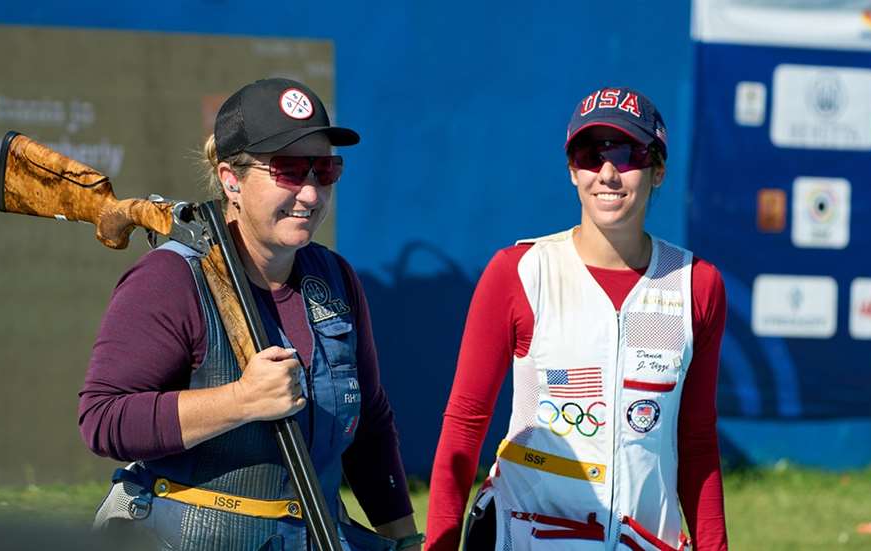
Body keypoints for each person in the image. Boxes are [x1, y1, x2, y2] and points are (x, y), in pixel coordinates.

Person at [78, 77, 423, 551]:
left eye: (324, 169)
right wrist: (240, 400)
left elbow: (370, 425)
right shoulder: (169, 279)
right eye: (288, 170)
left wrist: (403, 540)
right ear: (230, 179)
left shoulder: (335, 279)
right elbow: (103, 418)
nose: (310, 192)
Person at [426, 87, 729, 550]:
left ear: (659, 170)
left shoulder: (696, 284)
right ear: (572, 170)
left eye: (628, 154)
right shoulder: (519, 271)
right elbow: (466, 421)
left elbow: (697, 440)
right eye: (590, 155)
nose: (607, 173)